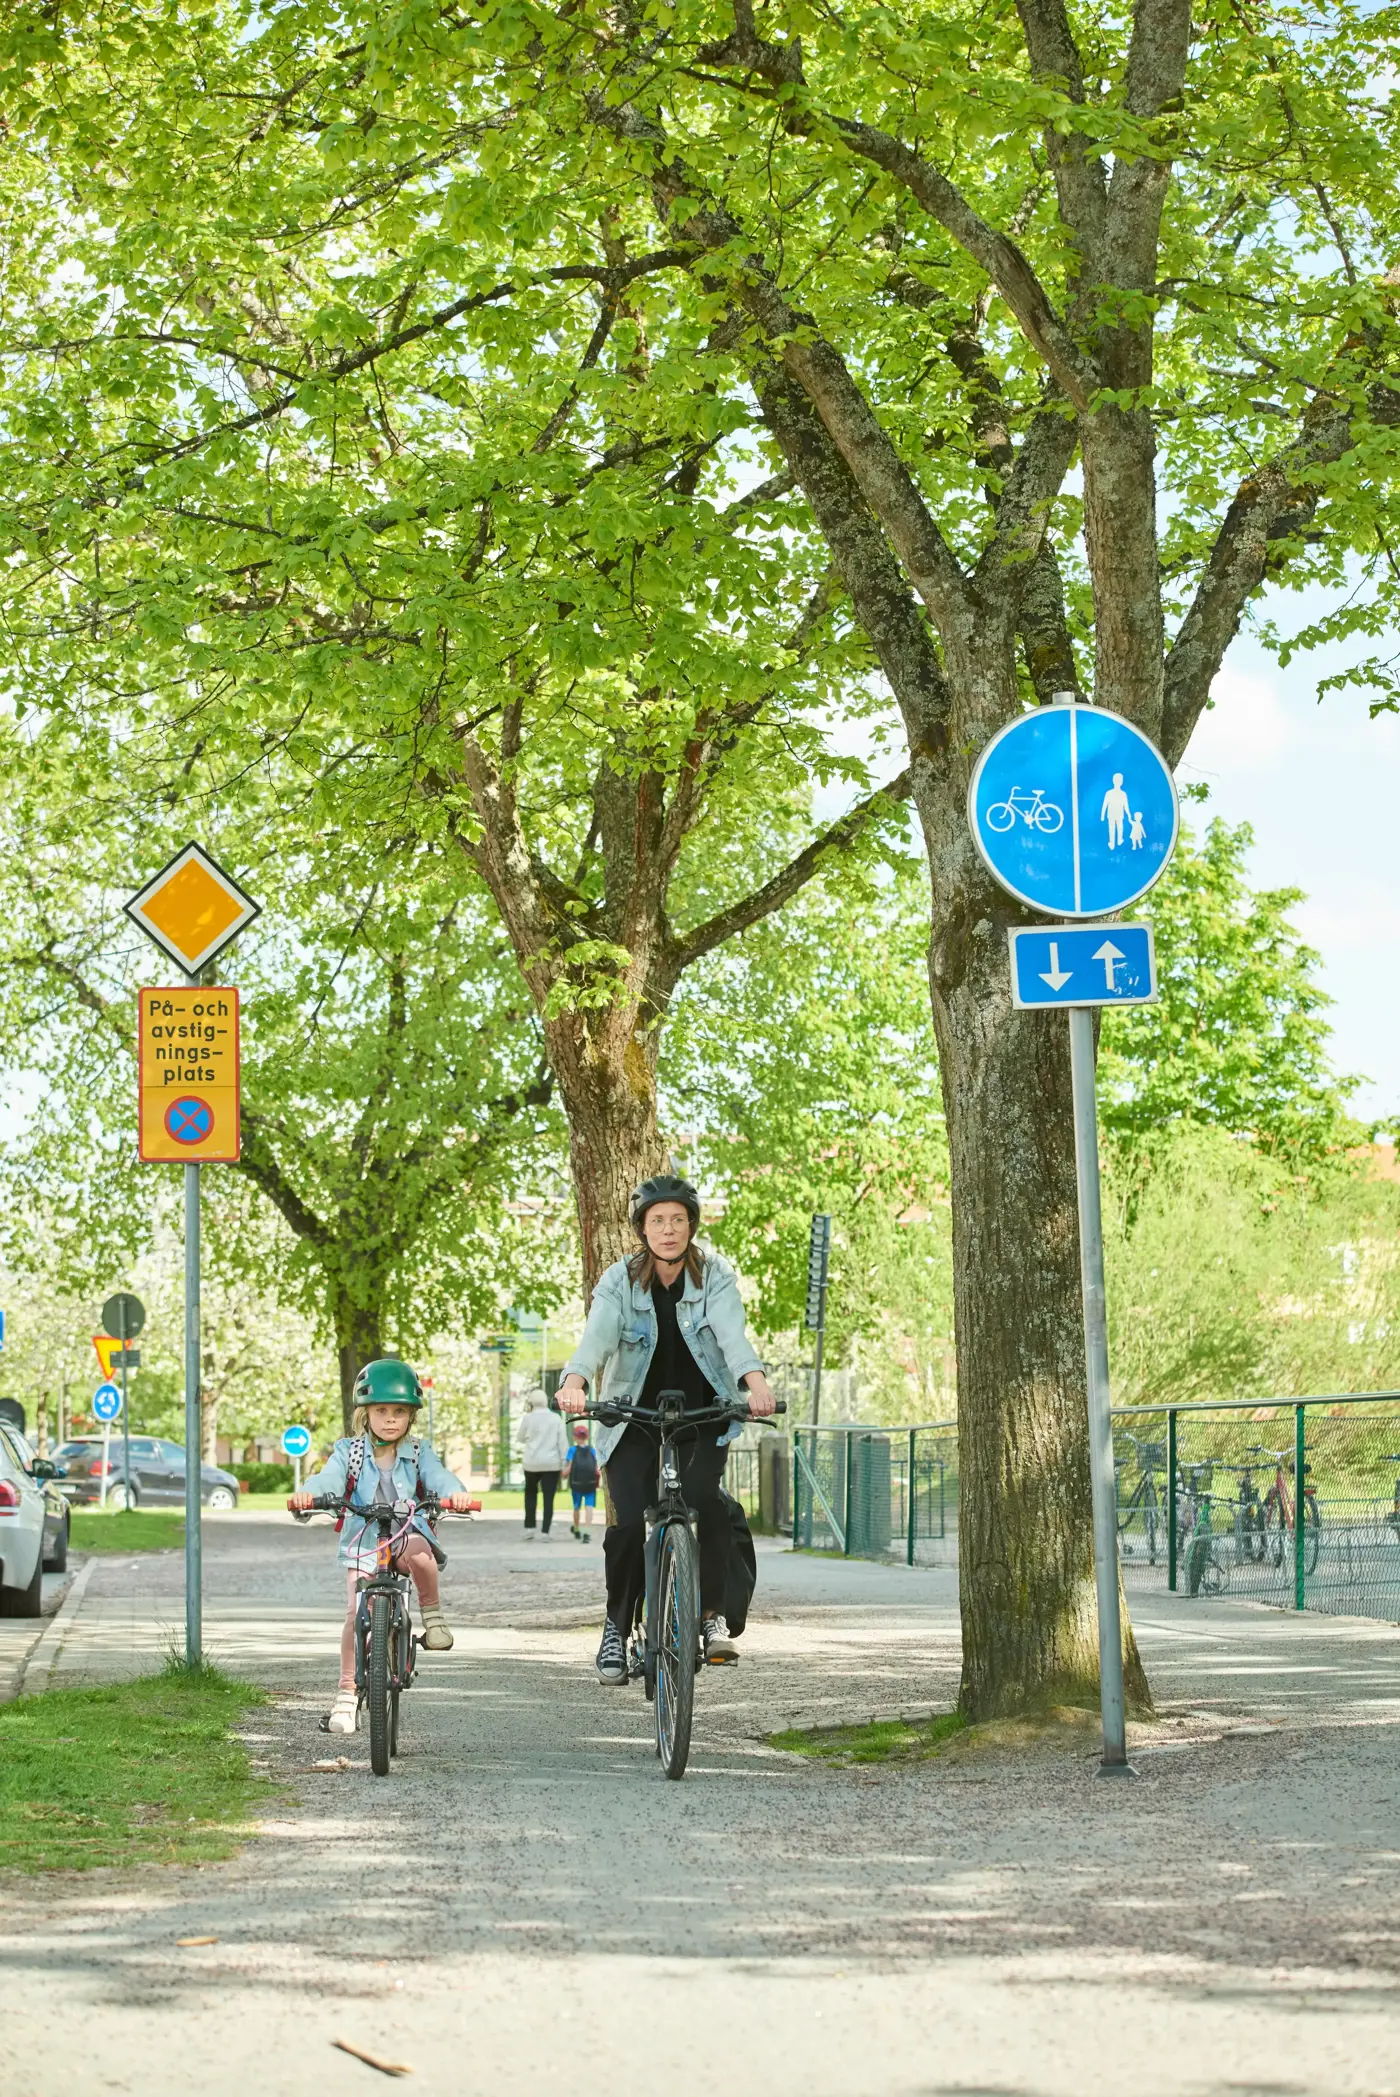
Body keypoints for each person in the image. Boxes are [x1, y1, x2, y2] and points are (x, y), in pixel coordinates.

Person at [556, 1173, 776, 1684]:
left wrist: (755, 1384)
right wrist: (576, 1380)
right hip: (633, 1418)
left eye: (678, 1219)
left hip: (700, 1416)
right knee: (631, 1523)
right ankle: (616, 1625)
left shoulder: (715, 1275)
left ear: (691, 1225)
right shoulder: (620, 1281)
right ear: (643, 1228)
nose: (669, 1230)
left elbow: (731, 1332)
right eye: (658, 1220)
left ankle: (710, 1615)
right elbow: (597, 1338)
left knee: (707, 1504)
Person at [289, 1358, 475, 1736]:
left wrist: (456, 1495)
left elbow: (440, 1477)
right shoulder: (349, 1451)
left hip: (407, 1530)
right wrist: (313, 1494)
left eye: (400, 1412)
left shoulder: (419, 1452)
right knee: (355, 1612)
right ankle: (345, 1693)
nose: (391, 1419)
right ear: (365, 1413)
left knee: (422, 1556)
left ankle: (433, 1616)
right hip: (363, 1536)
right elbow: (330, 1477)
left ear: (411, 1416)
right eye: (381, 1411)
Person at [516, 1389, 568, 1540]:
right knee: (548, 1498)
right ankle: (545, 1531)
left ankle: (529, 1529)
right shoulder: (555, 1418)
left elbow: (520, 1437)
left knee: (530, 1495)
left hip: (531, 1462)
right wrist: (564, 1461)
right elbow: (562, 1442)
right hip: (551, 1463)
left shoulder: (528, 1418)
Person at [562, 1419, 599, 1540]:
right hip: (590, 1484)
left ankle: (577, 1529)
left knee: (576, 1507)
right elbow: (596, 1468)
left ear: (575, 1437)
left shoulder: (572, 1450)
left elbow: (570, 1466)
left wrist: (563, 1474)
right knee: (589, 1507)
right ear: (587, 1437)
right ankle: (587, 1531)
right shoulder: (592, 1450)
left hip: (576, 1484)